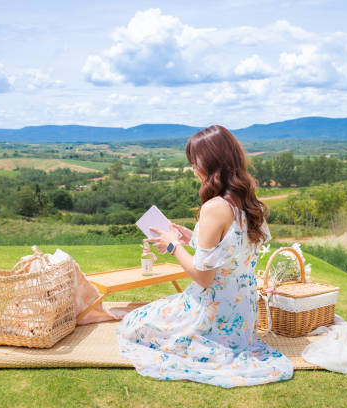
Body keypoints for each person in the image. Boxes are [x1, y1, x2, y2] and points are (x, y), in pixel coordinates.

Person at [116, 125, 293, 388]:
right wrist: (192, 237)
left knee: (134, 324)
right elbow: (233, 249)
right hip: (243, 317)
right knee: (142, 318)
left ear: (211, 162)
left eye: (194, 162)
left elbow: (205, 278)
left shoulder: (214, 207)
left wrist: (172, 246)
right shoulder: (249, 203)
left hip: (212, 316)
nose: (193, 169)